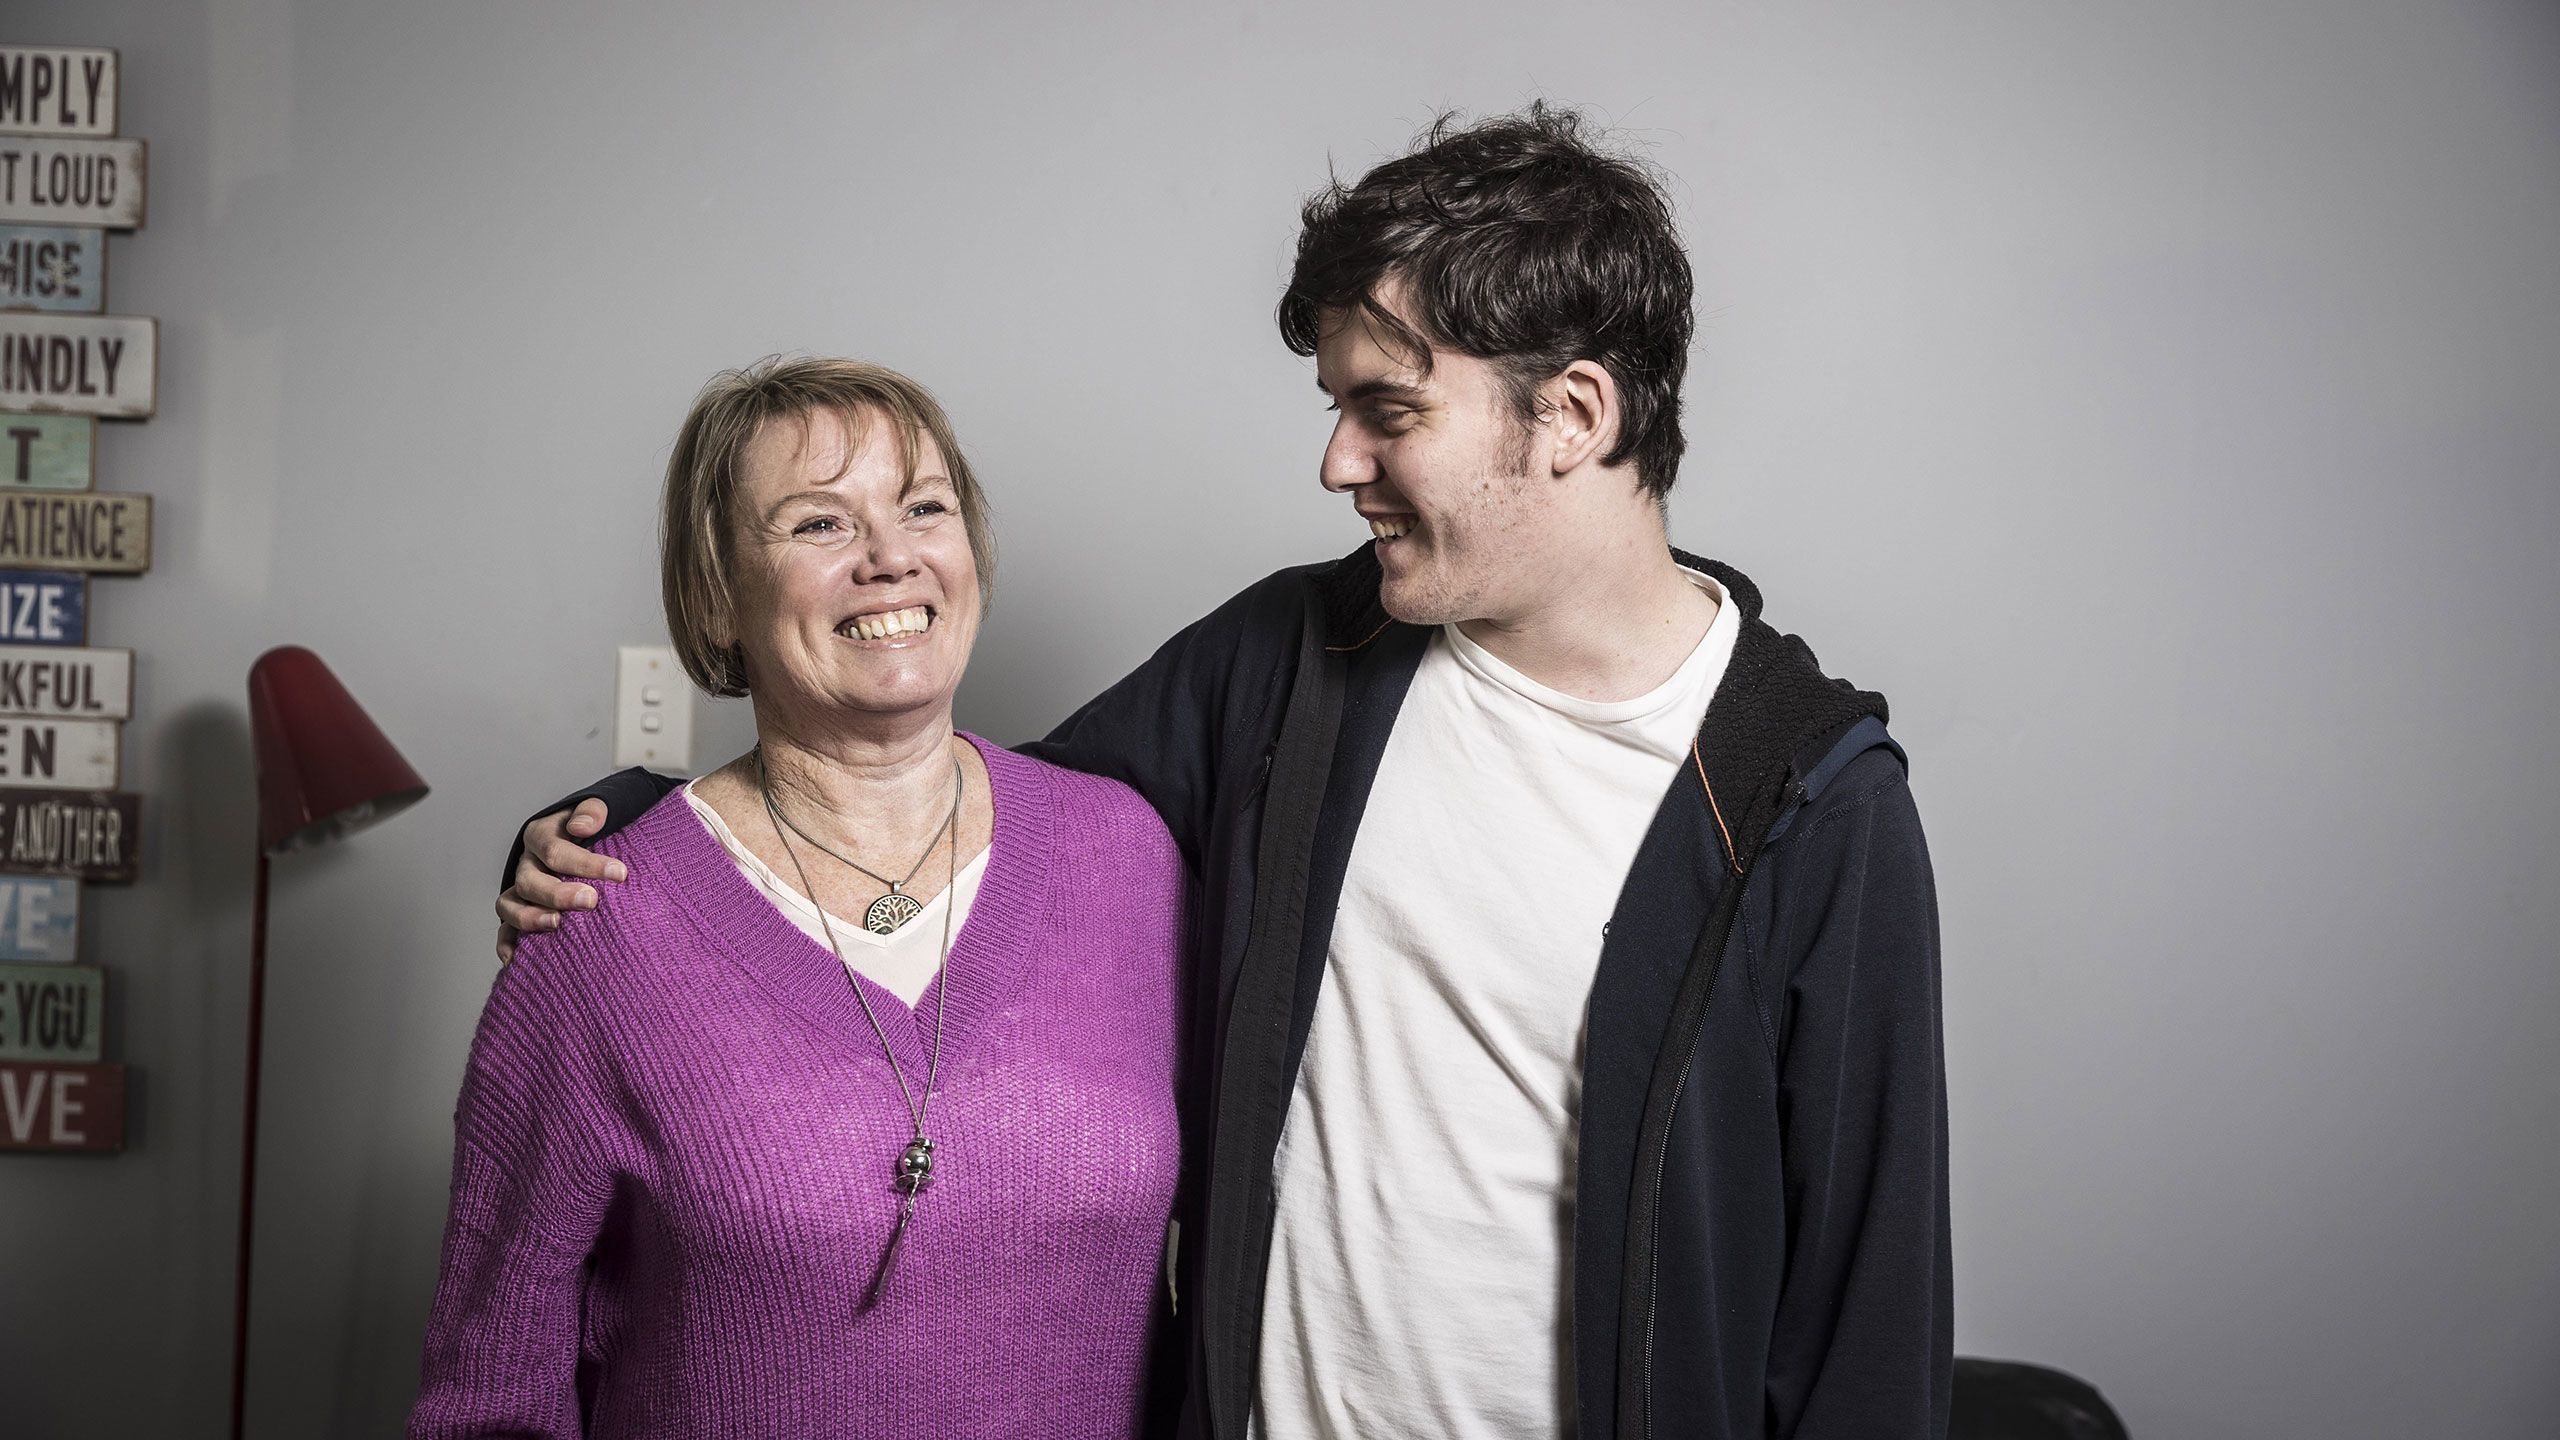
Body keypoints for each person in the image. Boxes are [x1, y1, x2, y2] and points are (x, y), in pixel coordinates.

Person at [499, 105, 1949, 1440]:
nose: (1337, 461)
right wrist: (645, 834)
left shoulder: (1804, 798)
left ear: (1571, 417)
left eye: (1390, 411)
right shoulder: (1288, 667)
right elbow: (953, 830)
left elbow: (1866, 1322)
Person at [416, 359, 1185, 1439]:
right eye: (818, 525)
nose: (890, 558)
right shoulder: (597, 931)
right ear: (719, 596)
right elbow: (492, 1400)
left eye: (924, 508)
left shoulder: (1129, 859)